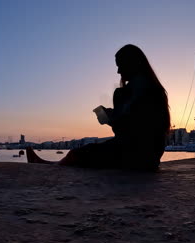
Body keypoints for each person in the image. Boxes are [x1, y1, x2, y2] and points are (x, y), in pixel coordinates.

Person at [27, 44, 170, 170]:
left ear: (131, 64)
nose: (118, 71)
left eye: (120, 65)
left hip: (134, 155)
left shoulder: (128, 91)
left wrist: (109, 117)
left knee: (77, 153)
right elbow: (139, 121)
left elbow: (125, 129)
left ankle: (53, 167)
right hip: (151, 158)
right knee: (84, 153)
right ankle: (55, 164)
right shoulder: (154, 88)